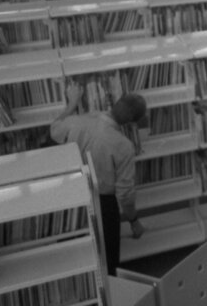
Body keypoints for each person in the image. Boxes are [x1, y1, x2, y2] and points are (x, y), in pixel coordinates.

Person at [51, 84, 148, 275]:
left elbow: (54, 130)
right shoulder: (124, 146)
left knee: (77, 255)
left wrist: (72, 104)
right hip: (104, 205)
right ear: (131, 124)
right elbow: (125, 193)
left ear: (116, 103)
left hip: (72, 197)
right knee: (108, 261)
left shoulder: (77, 121)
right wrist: (134, 221)